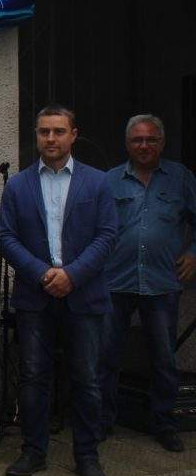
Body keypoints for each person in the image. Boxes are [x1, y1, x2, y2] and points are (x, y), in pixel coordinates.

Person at [0, 105, 117, 476]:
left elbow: (107, 236)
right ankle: (34, 451)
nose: (51, 138)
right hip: (36, 296)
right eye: (44, 131)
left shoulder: (98, 183)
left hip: (84, 295)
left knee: (87, 378)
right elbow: (6, 237)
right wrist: (41, 272)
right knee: (33, 376)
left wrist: (72, 275)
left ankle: (87, 456)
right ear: (36, 135)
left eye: (59, 131)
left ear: (73, 135)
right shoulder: (18, 185)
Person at [99, 114, 196, 452]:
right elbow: (93, 227)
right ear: (127, 144)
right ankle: (103, 421)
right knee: (107, 356)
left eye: (151, 139)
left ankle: (164, 424)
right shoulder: (109, 181)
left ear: (162, 142)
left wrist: (193, 254)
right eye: (137, 140)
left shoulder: (181, 178)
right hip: (115, 281)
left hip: (162, 281)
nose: (144, 145)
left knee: (163, 358)